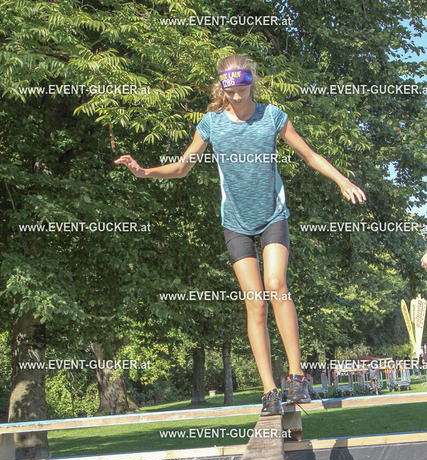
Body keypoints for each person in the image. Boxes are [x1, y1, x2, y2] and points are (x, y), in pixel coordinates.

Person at [114, 54, 366, 415]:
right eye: (229, 91)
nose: (236, 96)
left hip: (272, 214)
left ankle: (297, 376)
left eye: (242, 90)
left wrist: (342, 181)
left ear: (251, 84)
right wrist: (144, 172)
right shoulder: (212, 124)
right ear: (222, 87)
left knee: (276, 285)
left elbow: (309, 155)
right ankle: (269, 390)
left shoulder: (272, 116)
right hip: (235, 221)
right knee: (255, 302)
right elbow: (183, 167)